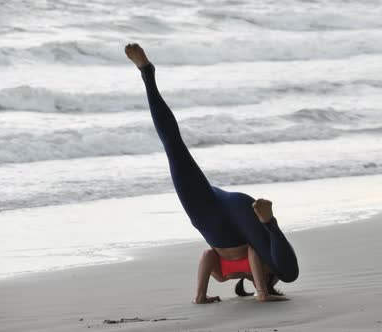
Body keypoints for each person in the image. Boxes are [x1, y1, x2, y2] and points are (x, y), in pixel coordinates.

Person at [125, 43, 299, 303]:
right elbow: (283, 268)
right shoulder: (271, 267)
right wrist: (269, 226)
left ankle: (146, 72)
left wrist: (202, 294)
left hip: (212, 216)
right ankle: (269, 224)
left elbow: (209, 258)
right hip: (237, 213)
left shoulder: (233, 272)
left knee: (174, 148)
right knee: (288, 273)